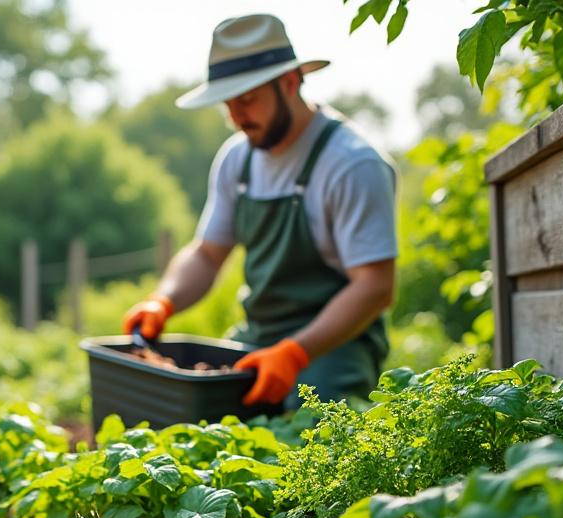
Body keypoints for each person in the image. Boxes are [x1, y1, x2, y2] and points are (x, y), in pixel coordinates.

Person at [122, 13, 397, 410]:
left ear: (289, 83)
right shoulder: (238, 158)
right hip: (257, 339)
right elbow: (207, 253)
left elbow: (375, 286)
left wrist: (294, 355)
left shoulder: (352, 164)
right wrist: (162, 301)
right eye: (228, 104)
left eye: (247, 99)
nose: (236, 116)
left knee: (314, 442)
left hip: (333, 347)